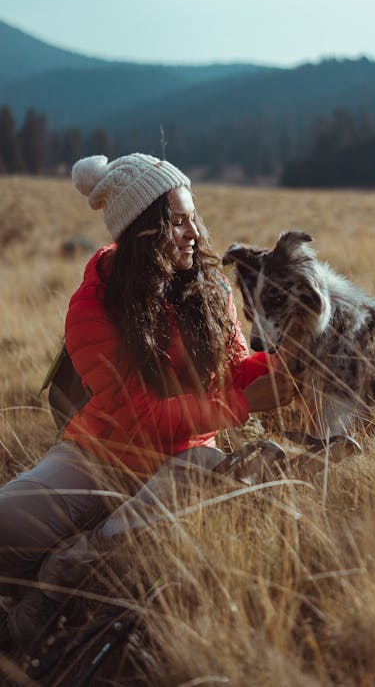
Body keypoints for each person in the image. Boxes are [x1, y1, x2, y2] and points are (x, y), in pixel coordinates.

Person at [0, 153, 294, 650]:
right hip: (97, 455)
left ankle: (54, 585)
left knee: (194, 474)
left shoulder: (212, 289)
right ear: (141, 232)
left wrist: (291, 366)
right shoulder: (93, 304)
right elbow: (135, 415)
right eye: (177, 222)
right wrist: (240, 406)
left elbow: (235, 370)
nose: (194, 234)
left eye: (193, 218)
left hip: (184, 458)